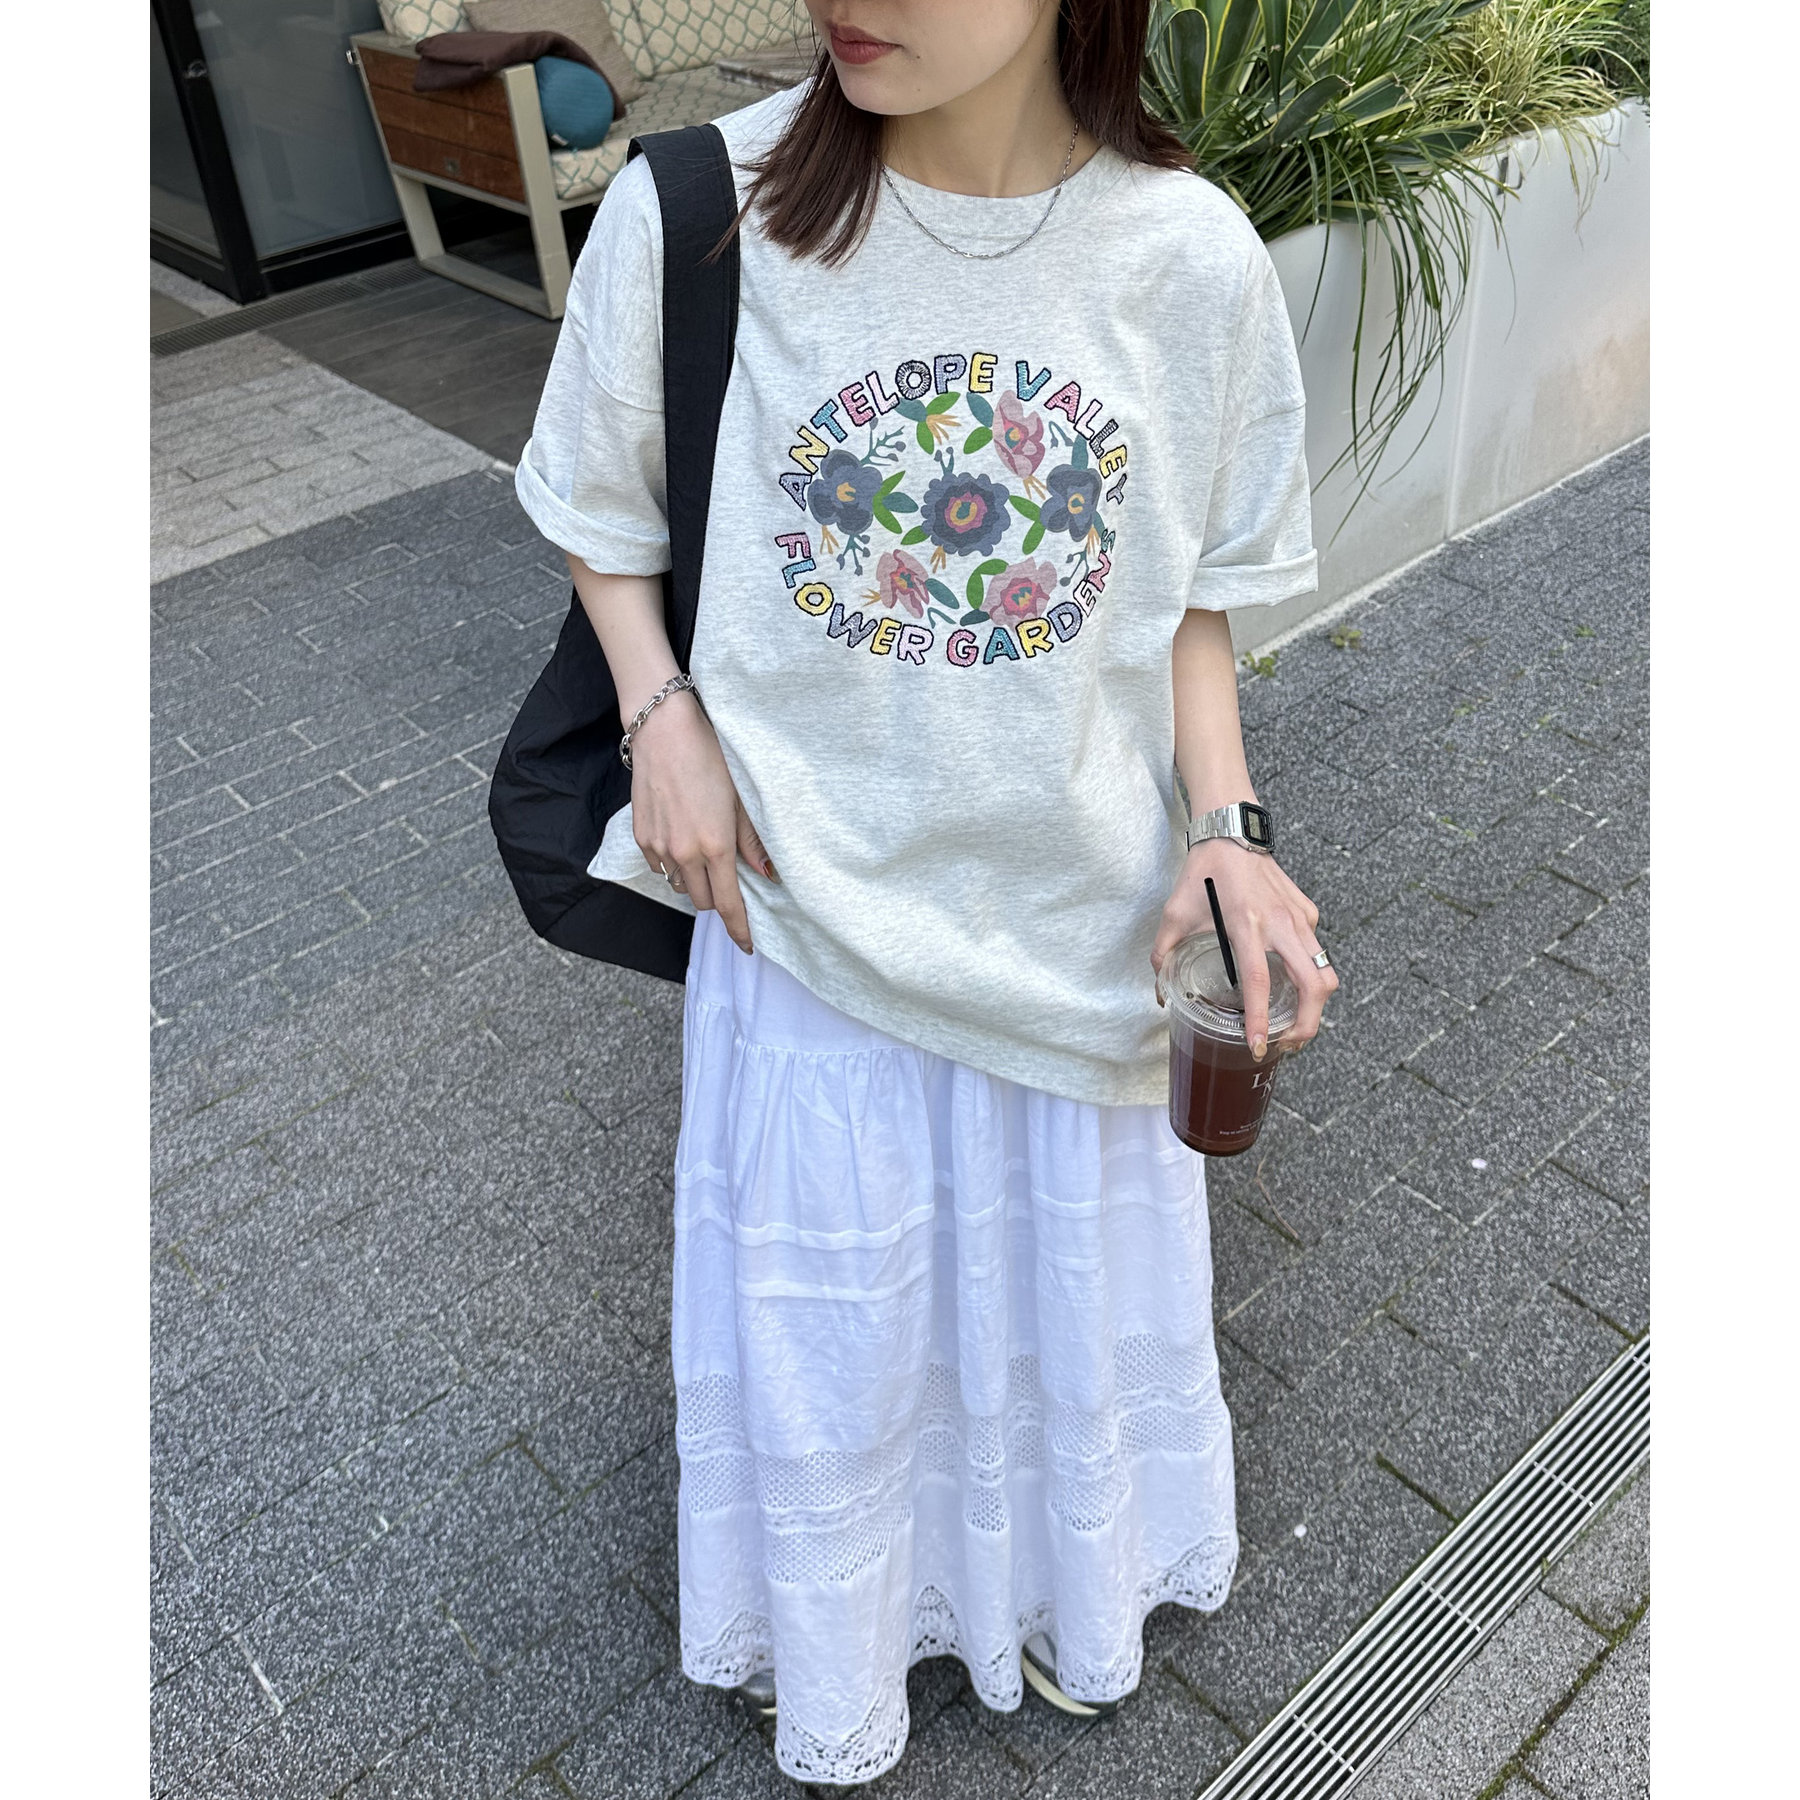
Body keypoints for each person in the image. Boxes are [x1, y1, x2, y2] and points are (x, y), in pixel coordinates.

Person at [513, 0, 1338, 1783]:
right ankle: (836, 1626)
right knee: (839, 1320)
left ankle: (1056, 1590)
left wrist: (1229, 830)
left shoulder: (1189, 256)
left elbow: (1189, 603)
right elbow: (597, 502)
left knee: (1055, 1299)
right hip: (810, 916)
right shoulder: (700, 209)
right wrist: (658, 714)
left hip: (1082, 923)